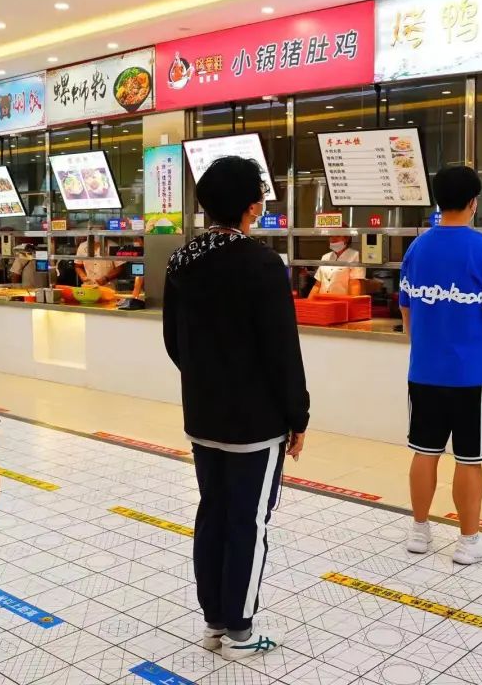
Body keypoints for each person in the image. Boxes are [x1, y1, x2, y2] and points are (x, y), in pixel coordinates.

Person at [163, 156, 308, 660]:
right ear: (252, 206)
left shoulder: (181, 261)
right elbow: (282, 350)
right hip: (255, 422)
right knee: (248, 523)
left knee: (214, 514)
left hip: (202, 415)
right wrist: (297, 415)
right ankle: (240, 633)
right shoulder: (261, 264)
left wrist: (206, 380)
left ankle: (215, 622)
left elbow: (174, 342)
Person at [399, 166, 482, 564]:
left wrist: (423, 343)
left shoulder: (417, 248)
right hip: (471, 375)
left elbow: (406, 307)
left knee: (424, 451)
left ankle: (419, 532)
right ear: (473, 202)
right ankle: (468, 543)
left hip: (424, 372)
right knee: (470, 459)